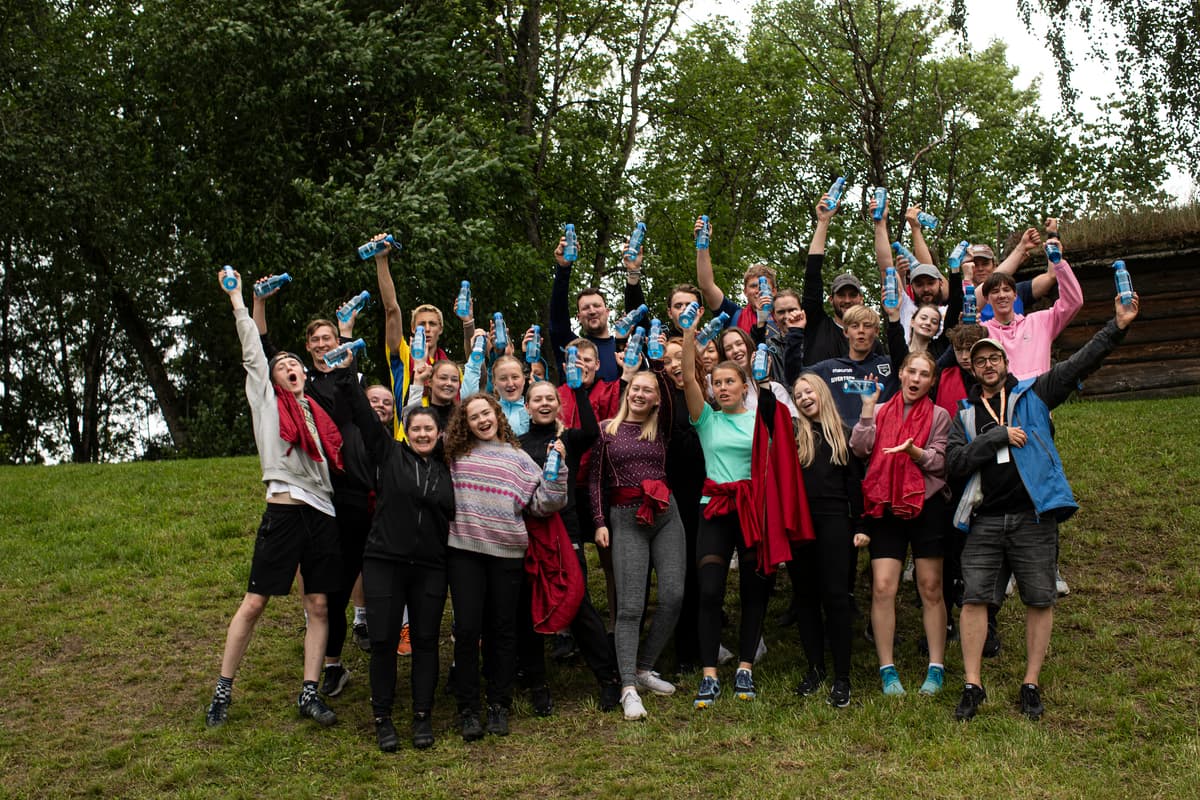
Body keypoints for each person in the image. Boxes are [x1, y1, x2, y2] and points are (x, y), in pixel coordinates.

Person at [948, 294, 1139, 721]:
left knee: (1039, 599)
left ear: (1005, 362)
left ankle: (1030, 683)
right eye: (979, 362)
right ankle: (972, 684)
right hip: (985, 521)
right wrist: (996, 437)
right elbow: (955, 462)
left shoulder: (1036, 395)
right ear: (973, 371)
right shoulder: (963, 414)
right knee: (974, 599)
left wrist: (1118, 325)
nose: (988, 366)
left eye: (993, 358)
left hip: (1034, 518)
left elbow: (1080, 364)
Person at [206, 269, 343, 729]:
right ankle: (223, 691)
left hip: (322, 511)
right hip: (285, 509)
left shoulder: (318, 414)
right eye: (282, 364)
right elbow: (252, 351)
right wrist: (239, 301)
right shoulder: (267, 400)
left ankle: (309, 692)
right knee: (256, 602)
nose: (291, 368)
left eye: (296, 364)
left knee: (320, 605)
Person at [251, 280, 375, 702]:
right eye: (316, 340)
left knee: (354, 577)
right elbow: (263, 347)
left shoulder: (343, 379)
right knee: (330, 589)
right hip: (323, 497)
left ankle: (367, 639)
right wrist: (258, 303)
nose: (324, 345)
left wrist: (346, 330)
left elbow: (347, 369)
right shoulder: (299, 388)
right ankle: (332, 666)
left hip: (358, 494)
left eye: (329, 339)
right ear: (306, 348)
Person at [681, 309, 810, 709]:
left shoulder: (762, 417)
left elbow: (786, 451)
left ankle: (745, 668)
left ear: (743, 384)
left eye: (728, 382)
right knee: (710, 590)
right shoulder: (706, 420)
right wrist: (689, 336)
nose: (721, 388)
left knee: (755, 589)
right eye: (716, 383)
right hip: (715, 507)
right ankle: (709, 675)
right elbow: (687, 378)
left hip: (754, 509)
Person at [444, 393, 568, 740]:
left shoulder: (520, 460)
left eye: (486, 413)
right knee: (467, 630)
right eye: (473, 417)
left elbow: (545, 503)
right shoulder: (455, 455)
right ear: (464, 424)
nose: (482, 420)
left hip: (508, 555)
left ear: (497, 415)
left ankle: (499, 704)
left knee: (503, 631)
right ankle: (468, 709)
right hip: (464, 552)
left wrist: (558, 470)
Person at [850, 351, 952, 697]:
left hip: (926, 506)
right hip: (885, 506)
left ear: (931, 381)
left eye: (925, 374)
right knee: (882, 588)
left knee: (930, 588)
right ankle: (887, 668)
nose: (917, 379)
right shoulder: (879, 411)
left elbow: (939, 462)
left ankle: (936, 667)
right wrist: (866, 409)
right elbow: (859, 449)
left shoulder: (939, 416)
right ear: (902, 373)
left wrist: (913, 452)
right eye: (912, 371)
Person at [519, 380, 623, 713]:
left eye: (550, 398)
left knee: (578, 604)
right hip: (531, 532)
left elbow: (593, 432)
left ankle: (608, 679)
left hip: (567, 531)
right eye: (538, 399)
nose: (545, 403)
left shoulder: (570, 439)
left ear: (558, 404)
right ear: (527, 407)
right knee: (530, 607)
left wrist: (578, 389)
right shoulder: (516, 445)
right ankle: (538, 686)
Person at [589, 366, 685, 720]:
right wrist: (599, 522)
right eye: (636, 388)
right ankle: (628, 687)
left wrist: (658, 363)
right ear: (627, 392)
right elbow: (594, 482)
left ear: (657, 398)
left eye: (649, 390)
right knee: (629, 607)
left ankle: (645, 668)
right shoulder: (606, 431)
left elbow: (675, 402)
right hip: (625, 517)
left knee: (673, 596)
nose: (640, 394)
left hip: (665, 514)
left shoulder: (660, 428)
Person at [359, 404, 455, 751]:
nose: (423, 435)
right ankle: (383, 719)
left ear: (439, 433)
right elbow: (365, 418)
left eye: (429, 429)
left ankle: (422, 716)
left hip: (431, 566)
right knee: (383, 641)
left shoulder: (449, 466)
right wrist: (342, 375)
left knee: (426, 642)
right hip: (385, 561)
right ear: (405, 432)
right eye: (416, 429)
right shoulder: (390, 455)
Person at [789, 372, 867, 708]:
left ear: (821, 392)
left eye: (809, 391)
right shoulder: (794, 435)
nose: (805, 398)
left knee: (836, 597)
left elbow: (855, 486)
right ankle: (815, 668)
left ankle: (842, 677)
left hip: (836, 521)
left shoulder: (843, 435)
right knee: (805, 596)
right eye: (798, 394)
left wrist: (862, 524)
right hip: (800, 524)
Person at [549, 232, 644, 381]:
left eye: (596, 306)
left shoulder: (624, 349)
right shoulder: (573, 349)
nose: (592, 311)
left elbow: (639, 312)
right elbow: (557, 317)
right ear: (578, 317)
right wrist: (563, 268)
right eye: (586, 308)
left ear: (607, 312)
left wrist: (633, 272)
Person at [800, 193, 870, 365]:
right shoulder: (817, 325)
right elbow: (812, 275)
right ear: (831, 299)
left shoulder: (870, 340)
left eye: (852, 295)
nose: (847, 300)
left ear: (861, 299)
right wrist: (823, 222)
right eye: (841, 295)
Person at [799, 305, 896, 424]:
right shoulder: (829, 368)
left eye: (867, 326)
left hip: (884, 438)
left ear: (876, 331)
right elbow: (794, 374)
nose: (861, 330)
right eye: (855, 326)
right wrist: (795, 331)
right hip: (840, 440)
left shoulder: (891, 365)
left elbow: (909, 357)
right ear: (845, 332)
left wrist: (894, 317)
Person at [694, 215, 780, 337]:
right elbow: (706, 286)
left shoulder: (786, 315)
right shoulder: (734, 315)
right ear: (745, 291)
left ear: (774, 291)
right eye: (754, 286)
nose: (758, 291)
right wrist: (702, 243)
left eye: (764, 286)